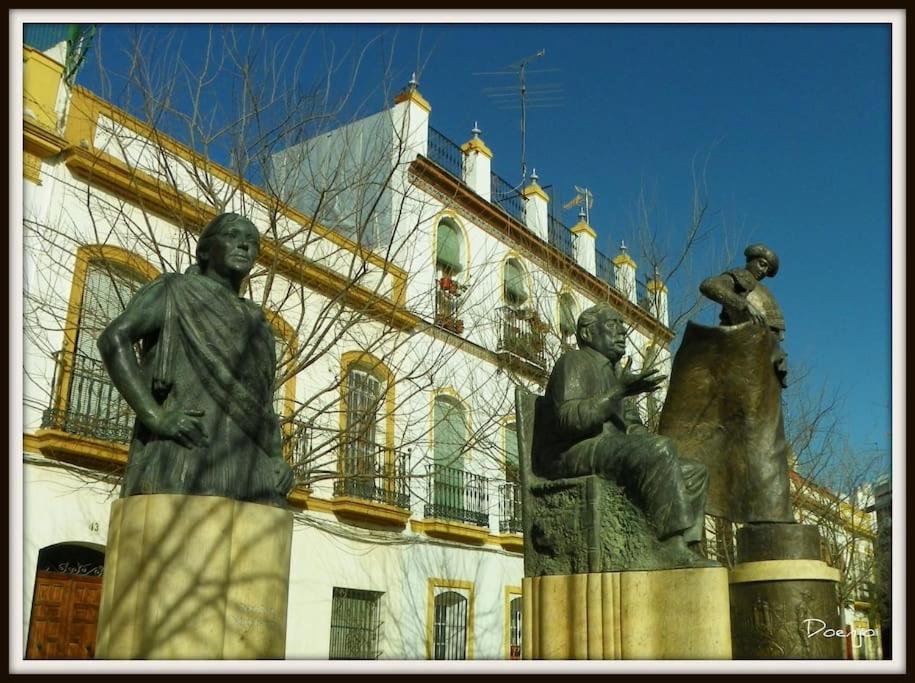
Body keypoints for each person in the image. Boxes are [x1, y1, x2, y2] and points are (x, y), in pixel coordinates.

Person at [97, 212, 295, 508]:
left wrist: (277, 457)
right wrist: (156, 416)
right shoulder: (174, 290)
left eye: (252, 242)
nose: (244, 245)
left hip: (251, 464)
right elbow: (114, 339)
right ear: (204, 250)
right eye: (232, 236)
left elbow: (262, 399)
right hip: (186, 454)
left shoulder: (258, 321)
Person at [536, 303, 715, 565]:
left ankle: (686, 544)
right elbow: (568, 420)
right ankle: (670, 547)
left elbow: (632, 426)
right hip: (574, 451)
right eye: (613, 325)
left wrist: (651, 445)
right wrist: (617, 391)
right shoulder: (573, 361)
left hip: (609, 448)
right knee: (660, 450)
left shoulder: (615, 375)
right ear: (587, 333)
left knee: (694, 470)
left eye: (623, 327)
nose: (622, 333)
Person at [700, 243, 787, 385]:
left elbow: (774, 331)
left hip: (764, 353)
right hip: (738, 345)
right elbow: (709, 285)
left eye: (767, 269)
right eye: (762, 264)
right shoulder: (742, 277)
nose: (764, 271)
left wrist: (778, 353)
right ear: (751, 260)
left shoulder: (765, 293)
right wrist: (744, 304)